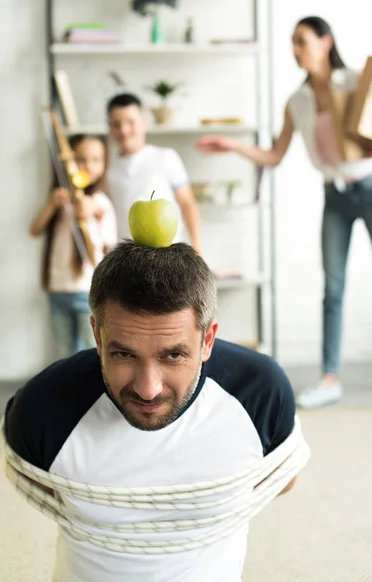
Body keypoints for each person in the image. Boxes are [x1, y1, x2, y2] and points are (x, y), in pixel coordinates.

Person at [3, 240, 309, 582]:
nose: (148, 388)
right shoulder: (42, 408)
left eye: (173, 355)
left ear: (208, 340)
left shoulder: (260, 395)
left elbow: (283, 480)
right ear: (98, 337)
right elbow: (33, 481)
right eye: (124, 354)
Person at [197, 15, 372, 407]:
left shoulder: (358, 81)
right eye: (292, 42)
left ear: (326, 42)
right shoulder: (297, 101)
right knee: (333, 289)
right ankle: (329, 378)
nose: (295, 49)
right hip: (335, 196)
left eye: (302, 41)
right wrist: (234, 146)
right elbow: (274, 155)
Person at [30, 134, 117, 358]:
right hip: (57, 289)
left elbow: (103, 225)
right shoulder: (60, 200)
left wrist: (89, 210)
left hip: (85, 291)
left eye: (96, 159)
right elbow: (35, 229)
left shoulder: (99, 201)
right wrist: (52, 204)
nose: (88, 166)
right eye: (81, 159)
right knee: (65, 351)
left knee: (91, 351)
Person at [107, 93, 202, 253]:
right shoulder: (108, 168)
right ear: (109, 127)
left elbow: (187, 202)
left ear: (144, 122)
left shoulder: (165, 157)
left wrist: (197, 249)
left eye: (131, 122)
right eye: (117, 124)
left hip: (167, 255)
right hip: (126, 259)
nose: (124, 130)